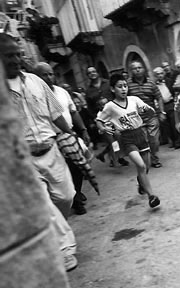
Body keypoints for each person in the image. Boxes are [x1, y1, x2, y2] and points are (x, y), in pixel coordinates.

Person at [1, 33, 78, 271]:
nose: (16, 59)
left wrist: (73, 135)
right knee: (44, 204)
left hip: (51, 150)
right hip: (22, 159)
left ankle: (51, 236)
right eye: (9, 56)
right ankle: (65, 250)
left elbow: (56, 113)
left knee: (66, 197)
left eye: (18, 54)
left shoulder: (36, 81)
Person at [33, 62, 92, 215]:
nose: (48, 77)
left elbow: (73, 112)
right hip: (51, 141)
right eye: (44, 74)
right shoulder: (35, 96)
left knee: (78, 167)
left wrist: (83, 130)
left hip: (68, 134)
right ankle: (74, 201)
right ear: (37, 77)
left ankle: (76, 193)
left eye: (50, 73)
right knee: (63, 171)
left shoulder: (62, 92)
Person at [96, 74, 161, 208]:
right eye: (120, 86)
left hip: (140, 134)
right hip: (126, 138)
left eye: (125, 86)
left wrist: (149, 111)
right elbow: (99, 120)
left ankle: (141, 183)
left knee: (146, 166)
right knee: (140, 166)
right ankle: (151, 196)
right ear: (113, 89)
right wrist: (103, 128)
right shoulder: (110, 106)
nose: (124, 89)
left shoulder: (134, 100)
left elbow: (149, 110)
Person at [127, 60, 165, 168]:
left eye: (139, 67)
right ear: (131, 71)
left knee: (154, 140)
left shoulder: (151, 83)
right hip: (137, 118)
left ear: (144, 69)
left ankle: (153, 158)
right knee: (143, 140)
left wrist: (162, 112)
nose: (138, 70)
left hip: (151, 116)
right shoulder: (128, 84)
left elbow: (159, 97)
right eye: (135, 68)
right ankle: (149, 160)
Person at [153, 66, 179, 147]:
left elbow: (174, 91)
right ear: (155, 76)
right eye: (158, 74)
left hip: (170, 103)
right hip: (162, 106)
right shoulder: (154, 85)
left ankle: (178, 141)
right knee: (166, 125)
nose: (160, 75)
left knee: (173, 123)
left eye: (161, 73)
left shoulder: (169, 81)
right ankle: (172, 141)